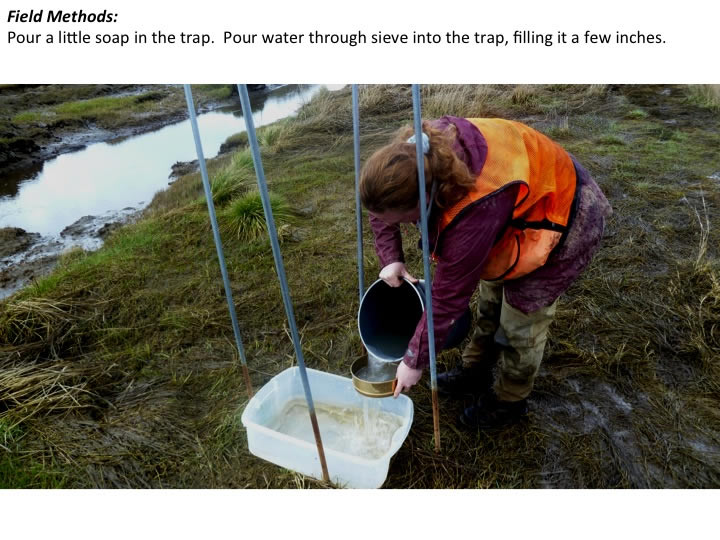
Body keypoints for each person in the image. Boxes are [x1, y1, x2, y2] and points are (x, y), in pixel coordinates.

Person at [359, 116, 612, 429]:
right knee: (491, 297)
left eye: (401, 219)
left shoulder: (471, 212)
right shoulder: (410, 159)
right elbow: (379, 207)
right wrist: (391, 259)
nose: (394, 224)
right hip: (510, 208)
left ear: (424, 199)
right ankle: (476, 369)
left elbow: (448, 298)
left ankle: (510, 400)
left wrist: (414, 361)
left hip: (562, 211)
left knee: (521, 320)